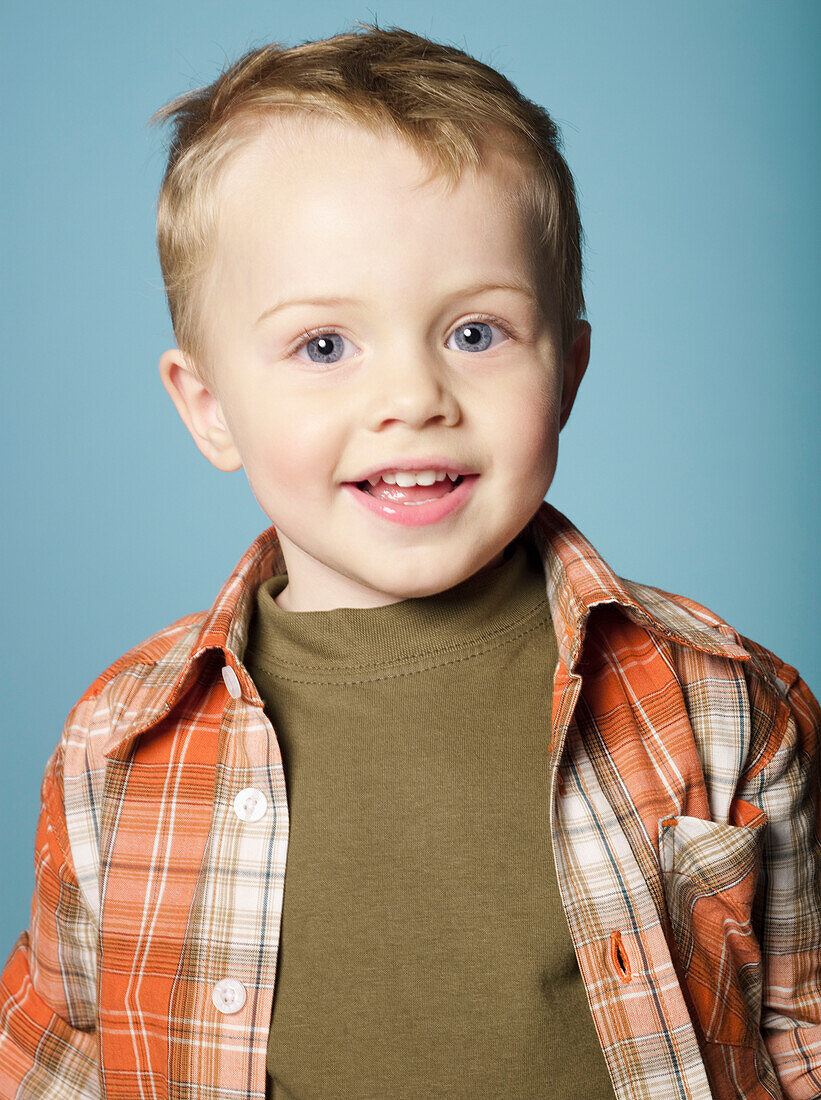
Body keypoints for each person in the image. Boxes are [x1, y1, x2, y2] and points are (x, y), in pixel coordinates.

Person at [0, 22, 818, 1100]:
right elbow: (56, 1057)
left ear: (565, 369)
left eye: (474, 332)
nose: (413, 399)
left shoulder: (724, 703)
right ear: (209, 409)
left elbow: (798, 1030)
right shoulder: (117, 748)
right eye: (324, 345)